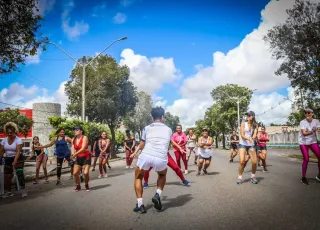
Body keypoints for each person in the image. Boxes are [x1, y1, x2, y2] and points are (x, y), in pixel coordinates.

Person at [130, 107, 185, 214]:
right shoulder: (169, 130)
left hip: (146, 155)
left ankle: (140, 205)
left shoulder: (146, 128)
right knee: (162, 175)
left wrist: (135, 152)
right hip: (161, 157)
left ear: (152, 117)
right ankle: (157, 194)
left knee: (138, 177)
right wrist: (180, 148)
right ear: (162, 117)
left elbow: (142, 144)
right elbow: (169, 143)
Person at [0, 122, 27, 198]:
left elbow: (18, 151)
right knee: (7, 176)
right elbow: (1, 151)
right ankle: (8, 192)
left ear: (14, 132)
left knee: (19, 172)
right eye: (8, 133)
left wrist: (15, 161)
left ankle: (23, 190)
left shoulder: (18, 140)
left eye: (11, 133)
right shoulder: (4, 140)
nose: (9, 134)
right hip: (8, 158)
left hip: (18, 157)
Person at [298, 108, 320, 185]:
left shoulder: (316, 121)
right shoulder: (302, 122)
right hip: (303, 142)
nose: (307, 114)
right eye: (306, 113)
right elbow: (304, 133)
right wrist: (312, 131)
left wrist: (318, 131)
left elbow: (319, 130)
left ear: (312, 114)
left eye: (309, 113)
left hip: (313, 142)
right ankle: (303, 177)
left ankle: (319, 175)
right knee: (306, 159)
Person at [237, 111, 259, 185]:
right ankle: (240, 177)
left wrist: (253, 137)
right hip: (243, 144)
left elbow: (255, 133)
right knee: (242, 161)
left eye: (249, 115)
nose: (248, 117)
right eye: (247, 116)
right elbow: (242, 135)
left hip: (251, 144)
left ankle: (253, 176)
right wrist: (248, 139)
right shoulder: (243, 124)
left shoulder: (255, 125)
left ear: (253, 116)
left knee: (254, 161)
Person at [71, 126, 91, 191]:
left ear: (81, 131)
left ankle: (86, 184)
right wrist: (72, 154)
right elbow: (73, 148)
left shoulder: (85, 137)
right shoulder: (73, 139)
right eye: (74, 130)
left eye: (77, 130)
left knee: (85, 173)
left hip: (86, 157)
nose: (75, 131)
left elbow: (83, 148)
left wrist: (75, 154)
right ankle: (78, 185)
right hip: (78, 157)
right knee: (75, 173)